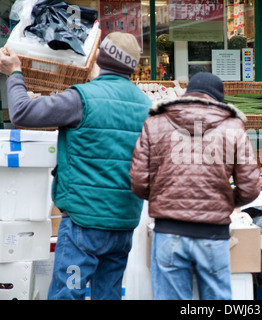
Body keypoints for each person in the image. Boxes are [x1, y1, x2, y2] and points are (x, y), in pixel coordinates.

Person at [0, 32, 151, 300]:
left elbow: (22, 112)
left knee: (68, 294)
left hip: (84, 225)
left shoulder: (82, 98)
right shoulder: (146, 105)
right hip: (123, 225)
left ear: (99, 58)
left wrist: (14, 74)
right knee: (109, 295)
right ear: (133, 66)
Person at [129, 72, 261, 300]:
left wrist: (162, 198)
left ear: (188, 93)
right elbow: (250, 187)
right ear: (218, 99)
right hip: (214, 234)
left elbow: (139, 180)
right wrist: (227, 201)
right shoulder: (233, 126)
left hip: (168, 232)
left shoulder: (156, 121)